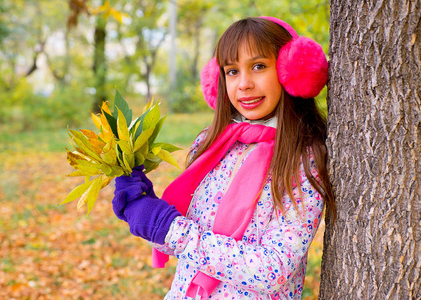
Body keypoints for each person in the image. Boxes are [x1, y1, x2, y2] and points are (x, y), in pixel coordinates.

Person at [111, 16, 336, 300]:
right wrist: (145, 211)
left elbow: (274, 268)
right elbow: (186, 241)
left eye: (258, 66)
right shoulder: (210, 143)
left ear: (290, 71)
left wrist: (171, 230)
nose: (243, 84)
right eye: (232, 71)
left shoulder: (304, 159)